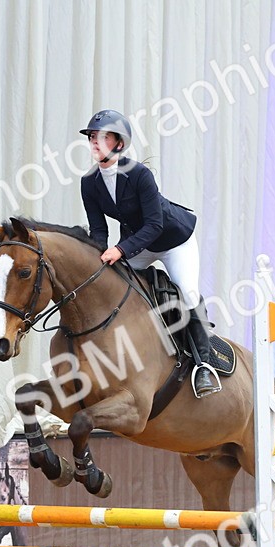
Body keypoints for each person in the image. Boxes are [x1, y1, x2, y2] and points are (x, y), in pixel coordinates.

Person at [78, 109, 221, 398]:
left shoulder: (139, 175)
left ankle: (204, 365)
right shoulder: (89, 182)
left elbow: (155, 225)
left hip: (173, 239)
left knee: (187, 290)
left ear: (119, 143)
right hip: (138, 244)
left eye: (102, 137)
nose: (94, 141)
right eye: (92, 137)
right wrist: (97, 256)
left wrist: (120, 249)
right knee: (114, 284)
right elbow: (99, 229)